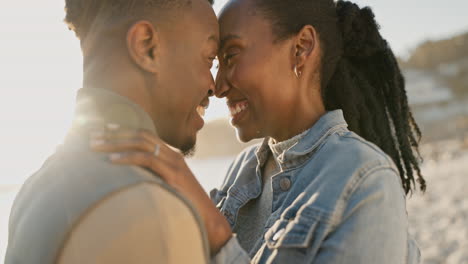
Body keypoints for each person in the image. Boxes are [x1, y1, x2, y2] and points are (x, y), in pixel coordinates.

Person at [91, 0, 426, 263]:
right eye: (215, 62)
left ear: (301, 47)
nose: (218, 85)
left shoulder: (366, 178)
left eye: (232, 55)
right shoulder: (244, 168)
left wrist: (217, 232)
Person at [5, 0, 229, 263]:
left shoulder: (36, 188)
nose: (214, 85)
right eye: (209, 58)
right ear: (147, 47)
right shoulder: (154, 214)